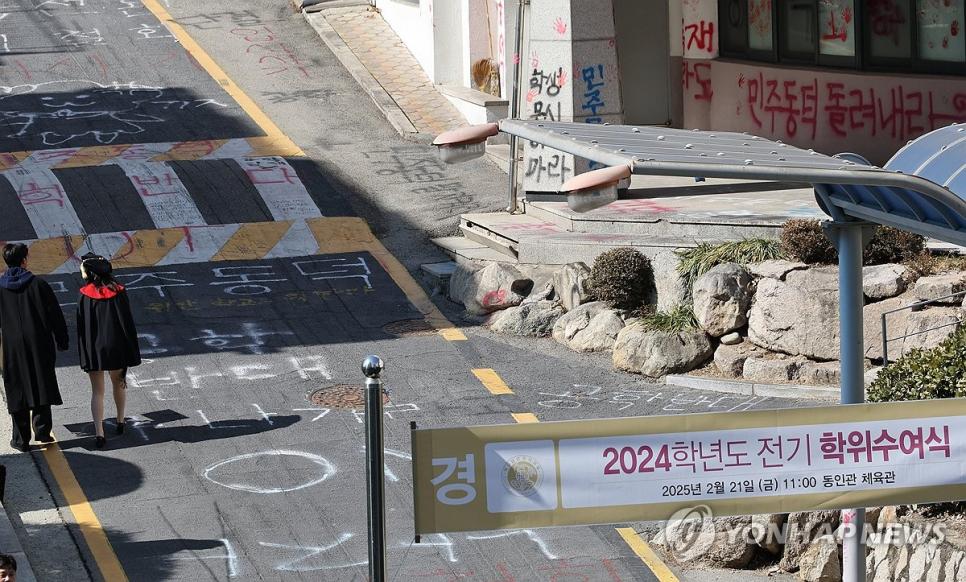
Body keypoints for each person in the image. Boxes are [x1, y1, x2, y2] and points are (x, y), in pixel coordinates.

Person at [0, 243, 69, 453]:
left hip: (12, 345)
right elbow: (55, 315)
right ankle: (42, 432)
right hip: (39, 342)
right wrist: (62, 340)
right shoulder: (39, 285)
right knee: (41, 381)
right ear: (24, 260)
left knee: (17, 386)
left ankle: (20, 439)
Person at [77, 254, 141, 449]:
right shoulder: (119, 291)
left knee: (97, 391)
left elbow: (82, 326)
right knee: (119, 383)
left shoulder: (85, 294)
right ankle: (120, 420)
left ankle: (99, 433)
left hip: (95, 348)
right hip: (116, 346)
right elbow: (126, 322)